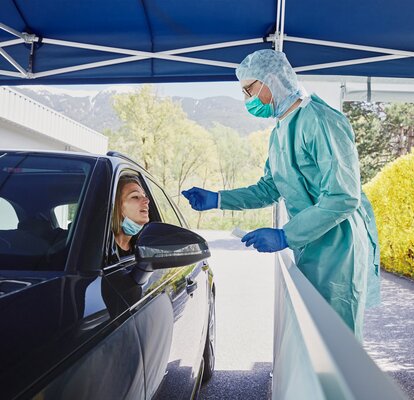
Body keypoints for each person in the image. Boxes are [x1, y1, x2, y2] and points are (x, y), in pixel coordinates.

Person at [182, 49, 381, 341]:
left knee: (338, 344)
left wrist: (285, 235)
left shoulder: (321, 120)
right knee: (314, 341)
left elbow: (343, 196)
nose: (247, 100)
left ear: (271, 80)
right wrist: (218, 198)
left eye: (249, 89)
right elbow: (270, 188)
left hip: (339, 247)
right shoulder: (279, 133)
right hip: (311, 243)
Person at [112, 175, 150, 259]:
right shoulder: (102, 251)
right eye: (135, 197)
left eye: (144, 196)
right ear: (116, 206)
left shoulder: (142, 246)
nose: (147, 201)